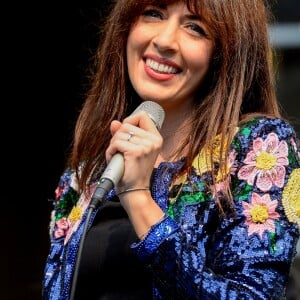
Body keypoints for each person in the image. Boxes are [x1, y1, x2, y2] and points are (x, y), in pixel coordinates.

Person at [42, 0, 300, 299]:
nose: (164, 41)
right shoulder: (90, 168)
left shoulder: (258, 146)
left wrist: (138, 198)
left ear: (227, 51)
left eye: (195, 28)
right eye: (153, 14)